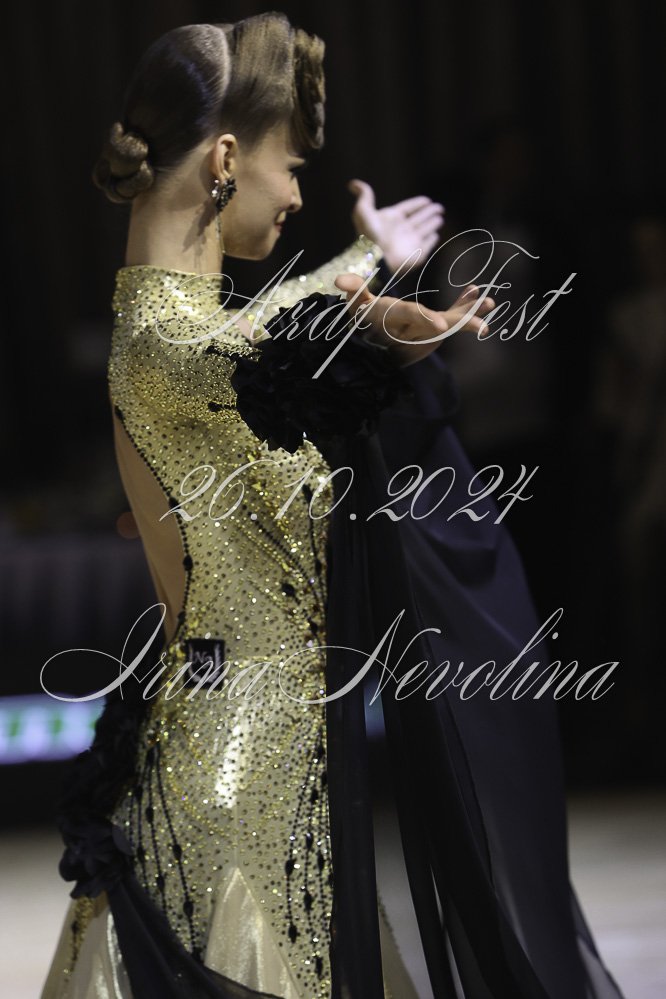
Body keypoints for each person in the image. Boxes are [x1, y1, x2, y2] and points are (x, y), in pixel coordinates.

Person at [40, 13, 625, 999]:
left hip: (262, 772)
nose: (297, 193)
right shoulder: (167, 347)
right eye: (291, 167)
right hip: (234, 798)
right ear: (226, 159)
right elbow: (263, 354)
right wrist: (370, 310)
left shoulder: (181, 328)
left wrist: (364, 264)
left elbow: (264, 337)